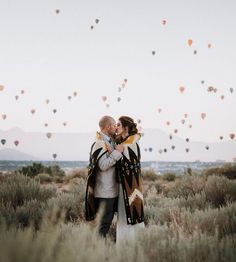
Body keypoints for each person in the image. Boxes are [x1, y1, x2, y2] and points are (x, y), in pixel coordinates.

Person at [85, 115, 124, 238]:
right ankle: (98, 251)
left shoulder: (109, 141)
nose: (116, 128)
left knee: (105, 223)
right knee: (104, 224)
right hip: (105, 192)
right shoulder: (100, 143)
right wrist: (117, 153)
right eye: (114, 126)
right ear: (107, 127)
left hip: (110, 190)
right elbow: (102, 165)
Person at [115, 116, 145, 244]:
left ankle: (129, 246)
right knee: (127, 216)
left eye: (119, 125)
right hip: (130, 186)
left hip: (129, 186)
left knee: (129, 215)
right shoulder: (128, 141)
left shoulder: (130, 143)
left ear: (126, 128)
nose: (116, 127)